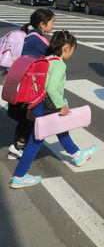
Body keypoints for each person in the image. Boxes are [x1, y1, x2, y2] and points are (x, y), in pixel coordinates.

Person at [10, 31, 97, 189]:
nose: (72, 53)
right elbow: (51, 88)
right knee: (35, 141)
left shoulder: (45, 60)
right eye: (72, 50)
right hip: (46, 104)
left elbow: (37, 86)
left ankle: (77, 155)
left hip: (38, 104)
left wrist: (32, 108)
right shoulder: (59, 64)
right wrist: (62, 105)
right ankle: (19, 176)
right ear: (66, 48)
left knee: (61, 128)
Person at [7, 8, 55, 161]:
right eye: (53, 22)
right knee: (29, 116)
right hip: (29, 86)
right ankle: (19, 147)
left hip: (19, 83)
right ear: (42, 24)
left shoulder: (29, 36)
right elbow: (53, 54)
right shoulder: (38, 40)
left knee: (25, 117)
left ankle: (17, 147)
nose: (54, 25)